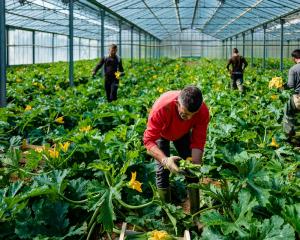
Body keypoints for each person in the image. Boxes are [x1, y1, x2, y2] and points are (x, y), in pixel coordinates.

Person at [143, 85, 210, 214]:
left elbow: (199, 140)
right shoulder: (162, 108)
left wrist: (195, 165)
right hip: (162, 133)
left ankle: (195, 214)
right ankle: (168, 216)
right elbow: (148, 141)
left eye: (192, 115)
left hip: (183, 134)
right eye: (184, 114)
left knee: (192, 171)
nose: (189, 118)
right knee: (162, 172)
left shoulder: (203, 111)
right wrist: (165, 160)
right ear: (177, 103)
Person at [283, 49, 300, 144]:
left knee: (288, 114)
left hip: (298, 98)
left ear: (295, 58)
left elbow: (290, 85)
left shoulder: (293, 69)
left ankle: (289, 138)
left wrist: (282, 86)